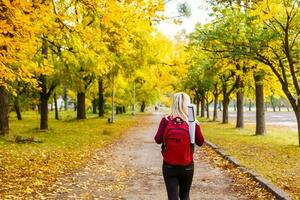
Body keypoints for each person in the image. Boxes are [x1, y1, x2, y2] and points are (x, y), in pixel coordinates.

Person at [154, 92, 205, 200]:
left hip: (169, 166)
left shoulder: (166, 120)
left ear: (174, 103)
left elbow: (158, 140)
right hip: (187, 166)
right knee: (185, 196)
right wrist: (196, 125)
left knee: (172, 197)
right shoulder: (192, 122)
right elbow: (200, 142)